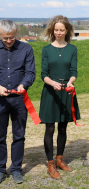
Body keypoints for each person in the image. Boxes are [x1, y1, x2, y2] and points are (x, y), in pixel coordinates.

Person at [39, 15, 80, 179]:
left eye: (61, 30)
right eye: (56, 30)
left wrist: (70, 82)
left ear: (67, 30)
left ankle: (60, 160)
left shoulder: (72, 49)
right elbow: (43, 74)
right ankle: (50, 164)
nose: (58, 32)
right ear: (52, 30)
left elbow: (74, 72)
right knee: (50, 128)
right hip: (50, 91)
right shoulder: (46, 49)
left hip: (66, 91)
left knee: (63, 128)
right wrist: (52, 83)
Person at [0, 20, 35, 184]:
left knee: (19, 136)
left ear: (16, 33)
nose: (8, 40)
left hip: (19, 101)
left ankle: (16, 169)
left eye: (12, 37)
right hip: (0, 100)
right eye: (5, 38)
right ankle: (1, 169)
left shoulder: (26, 49)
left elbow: (30, 72)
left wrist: (23, 84)